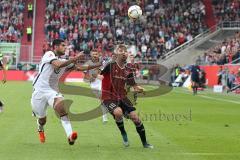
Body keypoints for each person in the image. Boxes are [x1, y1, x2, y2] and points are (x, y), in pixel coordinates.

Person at [31, 39, 102, 145]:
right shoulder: (49, 54)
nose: (65, 47)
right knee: (42, 120)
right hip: (39, 91)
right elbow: (58, 65)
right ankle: (40, 128)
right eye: (63, 45)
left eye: (66, 45)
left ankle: (70, 136)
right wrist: (75, 58)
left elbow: (79, 67)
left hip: (52, 91)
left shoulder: (64, 61)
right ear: (55, 46)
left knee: (61, 108)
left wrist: (97, 65)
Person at [100, 44, 153, 148]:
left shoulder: (128, 69)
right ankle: (123, 133)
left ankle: (145, 143)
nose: (124, 53)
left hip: (122, 97)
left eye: (125, 51)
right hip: (109, 97)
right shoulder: (110, 65)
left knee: (136, 118)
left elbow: (133, 85)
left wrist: (139, 89)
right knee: (118, 112)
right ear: (116, 53)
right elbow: (98, 73)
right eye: (121, 51)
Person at [84, 49, 108, 123]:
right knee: (101, 100)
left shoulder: (102, 62)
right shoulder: (87, 63)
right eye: (93, 54)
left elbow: (101, 72)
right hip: (93, 84)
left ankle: (105, 117)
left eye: (96, 54)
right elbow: (85, 76)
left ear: (98, 54)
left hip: (101, 82)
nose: (94, 55)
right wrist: (90, 78)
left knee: (103, 98)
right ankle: (107, 112)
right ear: (91, 55)